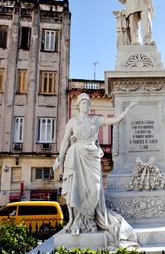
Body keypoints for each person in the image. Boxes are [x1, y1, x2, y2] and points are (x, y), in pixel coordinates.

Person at [53, 93, 137, 246]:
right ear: (78, 105)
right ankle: (81, 222)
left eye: (87, 102)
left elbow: (115, 120)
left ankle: (90, 217)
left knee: (95, 189)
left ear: (89, 106)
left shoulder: (96, 120)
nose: (85, 105)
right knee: (77, 189)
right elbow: (65, 139)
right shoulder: (72, 122)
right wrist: (60, 157)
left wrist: (128, 109)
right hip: (76, 155)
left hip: (92, 157)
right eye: (82, 102)